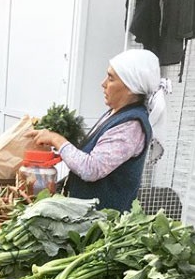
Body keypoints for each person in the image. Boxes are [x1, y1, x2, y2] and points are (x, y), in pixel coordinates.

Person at [27, 49, 170, 212]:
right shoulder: (116, 113)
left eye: (111, 78)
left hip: (102, 225)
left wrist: (57, 139)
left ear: (131, 87)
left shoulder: (131, 126)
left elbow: (91, 169)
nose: (103, 84)